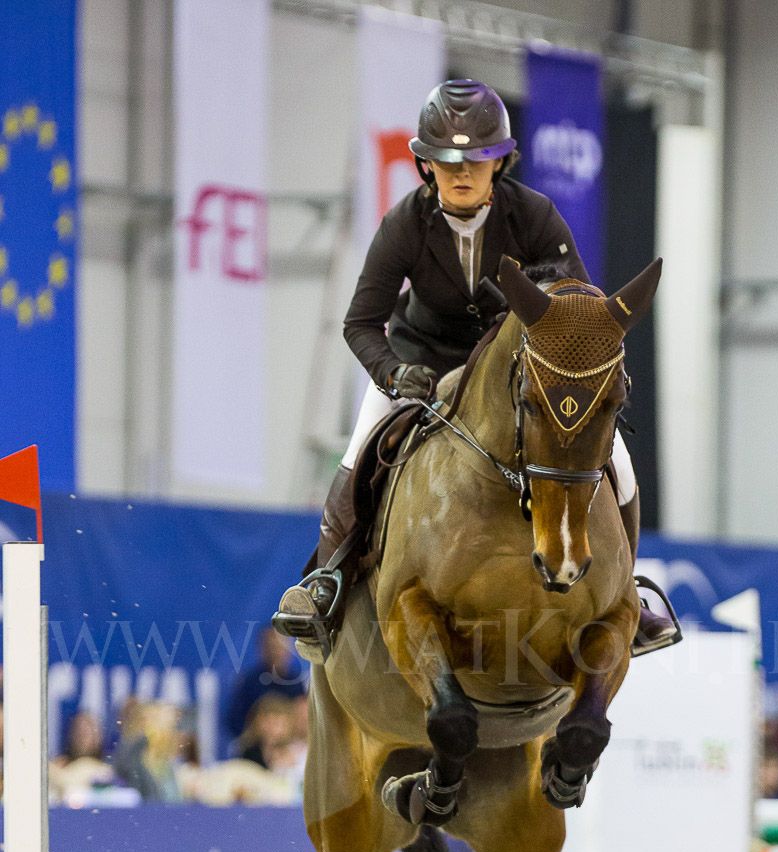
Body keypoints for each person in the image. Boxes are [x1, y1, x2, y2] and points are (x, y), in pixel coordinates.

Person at [275, 78, 677, 658]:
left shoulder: (533, 215)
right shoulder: (405, 223)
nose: (461, 173)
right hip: (422, 362)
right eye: (447, 161)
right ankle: (326, 581)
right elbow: (360, 323)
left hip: (516, 369)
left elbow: (579, 315)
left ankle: (628, 594)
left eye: (477, 160)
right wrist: (392, 373)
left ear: (500, 164)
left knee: (617, 456)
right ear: (427, 166)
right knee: (361, 447)